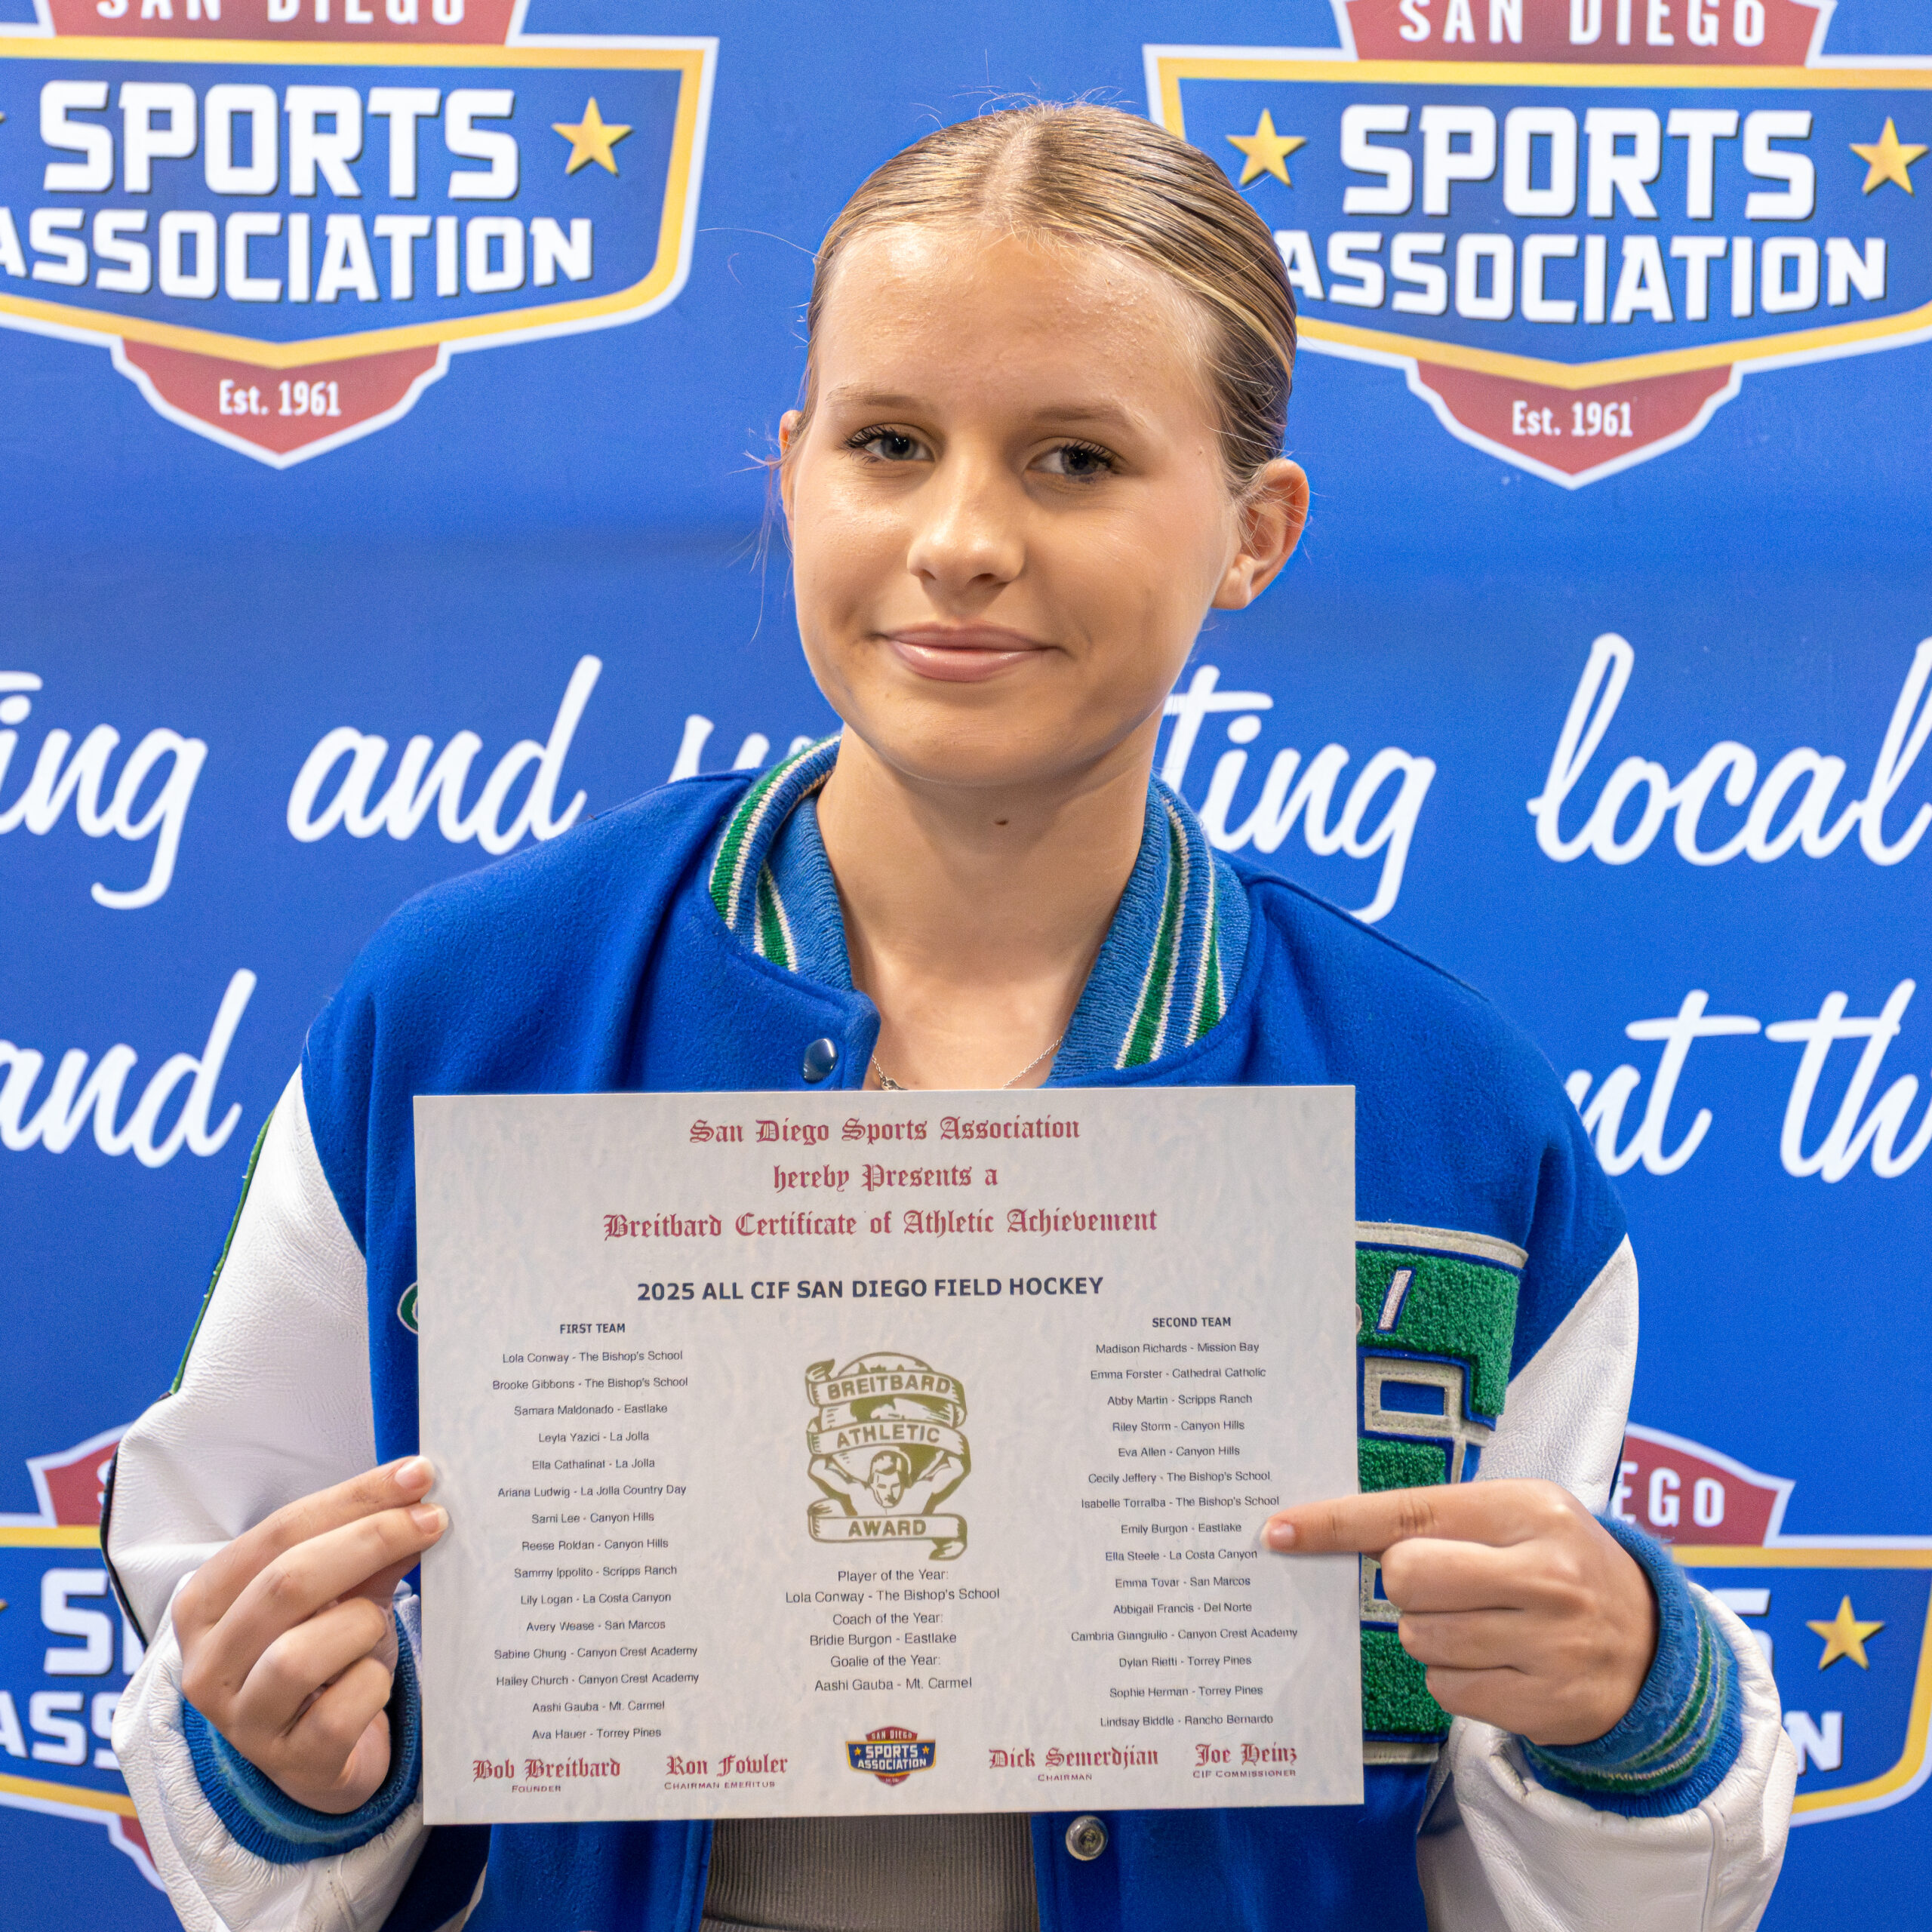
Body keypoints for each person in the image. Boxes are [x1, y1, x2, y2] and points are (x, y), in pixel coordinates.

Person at [104, 103, 1795, 1932]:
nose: (962, 539)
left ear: (1253, 530)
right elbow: (224, 1613)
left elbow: (1562, 1885)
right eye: (888, 443)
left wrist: (1626, 1701)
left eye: (1073, 459)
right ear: (793, 471)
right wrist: (283, 1754)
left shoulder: (1446, 1116)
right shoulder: (463, 1016)